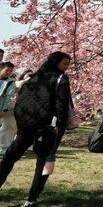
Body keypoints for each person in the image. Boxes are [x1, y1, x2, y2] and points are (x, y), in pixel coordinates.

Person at [0, 51, 73, 207]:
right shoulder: (61, 79)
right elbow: (62, 107)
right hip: (47, 129)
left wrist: (21, 124)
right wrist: (60, 128)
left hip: (26, 127)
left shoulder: (34, 78)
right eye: (65, 63)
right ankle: (32, 199)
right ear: (56, 62)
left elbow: (20, 104)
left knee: (9, 157)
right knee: (44, 163)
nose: (67, 67)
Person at [0, 62, 17, 155]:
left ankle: (4, 149)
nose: (9, 72)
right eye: (7, 70)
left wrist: (4, 110)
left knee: (7, 128)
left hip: (4, 109)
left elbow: (10, 97)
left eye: (11, 71)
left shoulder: (10, 82)